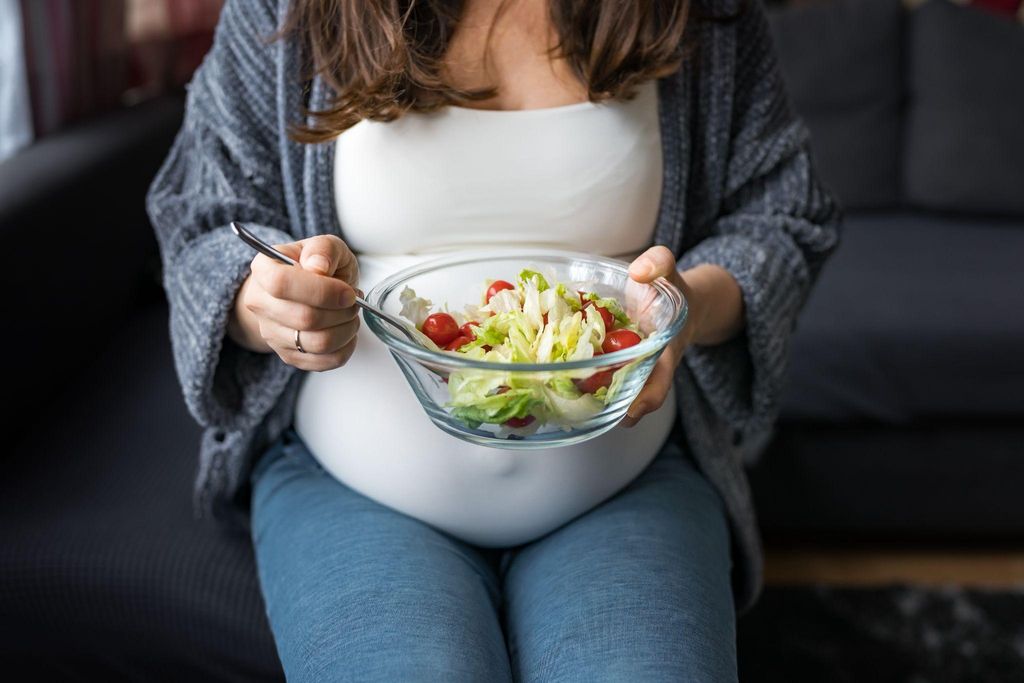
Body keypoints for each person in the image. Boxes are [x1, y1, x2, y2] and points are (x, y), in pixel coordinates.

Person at [146, 0, 840, 680]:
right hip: (351, 487)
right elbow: (205, 214)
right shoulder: (282, 11)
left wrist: (688, 304)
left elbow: (783, 217)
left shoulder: (702, 16)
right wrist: (259, 296)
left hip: (626, 482)